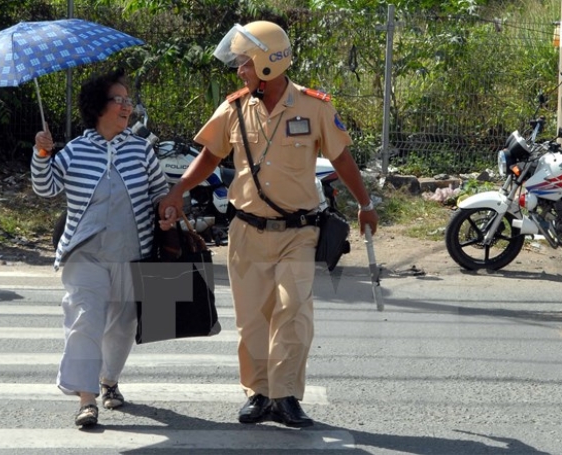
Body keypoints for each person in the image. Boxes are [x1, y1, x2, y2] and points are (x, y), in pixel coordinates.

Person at [158, 21, 379, 428]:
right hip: (246, 231)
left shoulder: (315, 107)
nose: (239, 70)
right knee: (253, 318)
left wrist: (365, 203)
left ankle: (286, 395)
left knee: (293, 312)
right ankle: (259, 394)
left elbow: (343, 159)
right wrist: (179, 191)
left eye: (244, 63)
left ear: (266, 64)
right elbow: (210, 155)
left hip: (298, 232)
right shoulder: (235, 107)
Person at [31, 68, 169, 427]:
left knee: (123, 326)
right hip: (85, 256)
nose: (127, 107)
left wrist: (168, 211)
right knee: (84, 322)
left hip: (132, 254)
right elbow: (45, 189)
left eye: (128, 101)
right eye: (118, 100)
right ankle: (86, 398)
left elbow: (159, 192)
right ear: (97, 107)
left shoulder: (141, 150)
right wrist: (42, 154)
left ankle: (109, 381)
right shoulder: (75, 151)